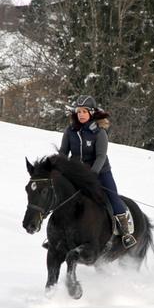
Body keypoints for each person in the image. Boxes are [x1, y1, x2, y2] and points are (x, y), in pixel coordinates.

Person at [59, 95, 136, 248]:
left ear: (91, 113)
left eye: (84, 112)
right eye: (78, 111)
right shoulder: (70, 131)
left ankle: (125, 233)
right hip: (77, 173)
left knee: (113, 198)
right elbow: (63, 152)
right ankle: (57, 233)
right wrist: (61, 168)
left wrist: (91, 175)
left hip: (100, 173)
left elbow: (101, 156)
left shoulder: (99, 133)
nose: (81, 114)